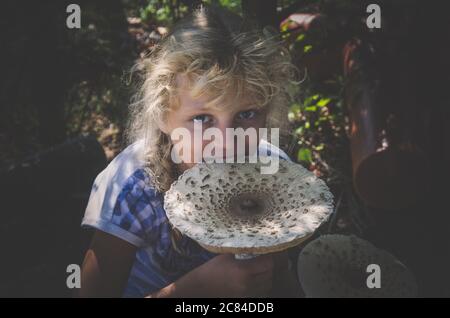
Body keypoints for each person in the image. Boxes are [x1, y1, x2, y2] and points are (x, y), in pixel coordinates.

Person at [79, 5, 300, 297]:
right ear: (163, 117)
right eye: (202, 119)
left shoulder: (274, 172)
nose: (226, 143)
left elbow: (282, 277)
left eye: (246, 114)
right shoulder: (134, 187)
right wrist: (191, 290)